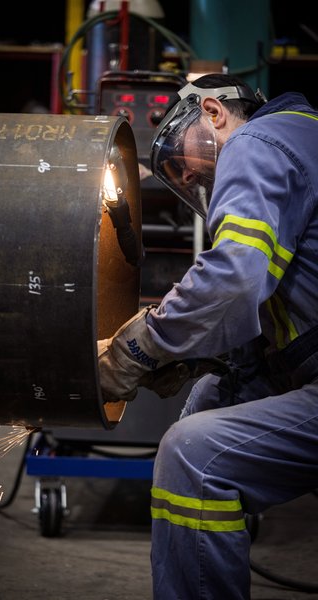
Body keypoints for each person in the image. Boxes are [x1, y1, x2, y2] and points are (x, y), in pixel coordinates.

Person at [97, 72, 318, 599]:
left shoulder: (257, 140)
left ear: (214, 113)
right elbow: (283, 301)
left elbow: (235, 275)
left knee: (192, 453)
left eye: (183, 155)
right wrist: (203, 358)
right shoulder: (304, 134)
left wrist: (137, 349)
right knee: (206, 402)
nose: (191, 173)